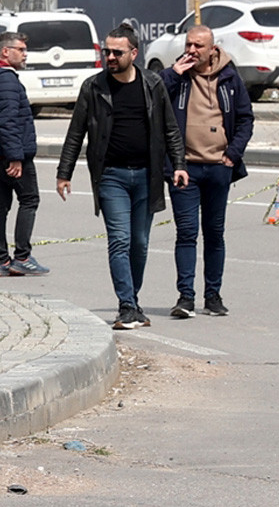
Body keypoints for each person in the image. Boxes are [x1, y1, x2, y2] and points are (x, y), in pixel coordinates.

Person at [56, 24, 188, 330]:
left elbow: (170, 128)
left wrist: (179, 164)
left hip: (147, 176)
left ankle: (133, 300)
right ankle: (126, 306)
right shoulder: (93, 87)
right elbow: (76, 133)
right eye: (107, 51)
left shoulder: (153, 83)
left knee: (139, 243)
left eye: (117, 52)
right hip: (111, 177)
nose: (111, 57)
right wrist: (64, 173)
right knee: (120, 240)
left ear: (134, 53)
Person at [160, 25, 255, 318]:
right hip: (184, 168)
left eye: (198, 46)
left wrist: (232, 154)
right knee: (186, 233)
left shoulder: (229, 77)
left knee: (214, 233)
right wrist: (172, 74)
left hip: (218, 167)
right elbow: (152, 99)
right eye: (188, 44)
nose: (192, 50)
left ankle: (213, 296)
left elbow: (245, 119)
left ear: (212, 49)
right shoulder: (177, 75)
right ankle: (185, 297)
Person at [0, 31, 48, 277]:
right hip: (9, 154)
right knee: (29, 199)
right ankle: (22, 257)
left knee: (0, 204)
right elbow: (7, 121)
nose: (25, 55)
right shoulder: (6, 80)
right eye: (21, 50)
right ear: (6, 51)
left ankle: (0, 261)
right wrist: (15, 156)